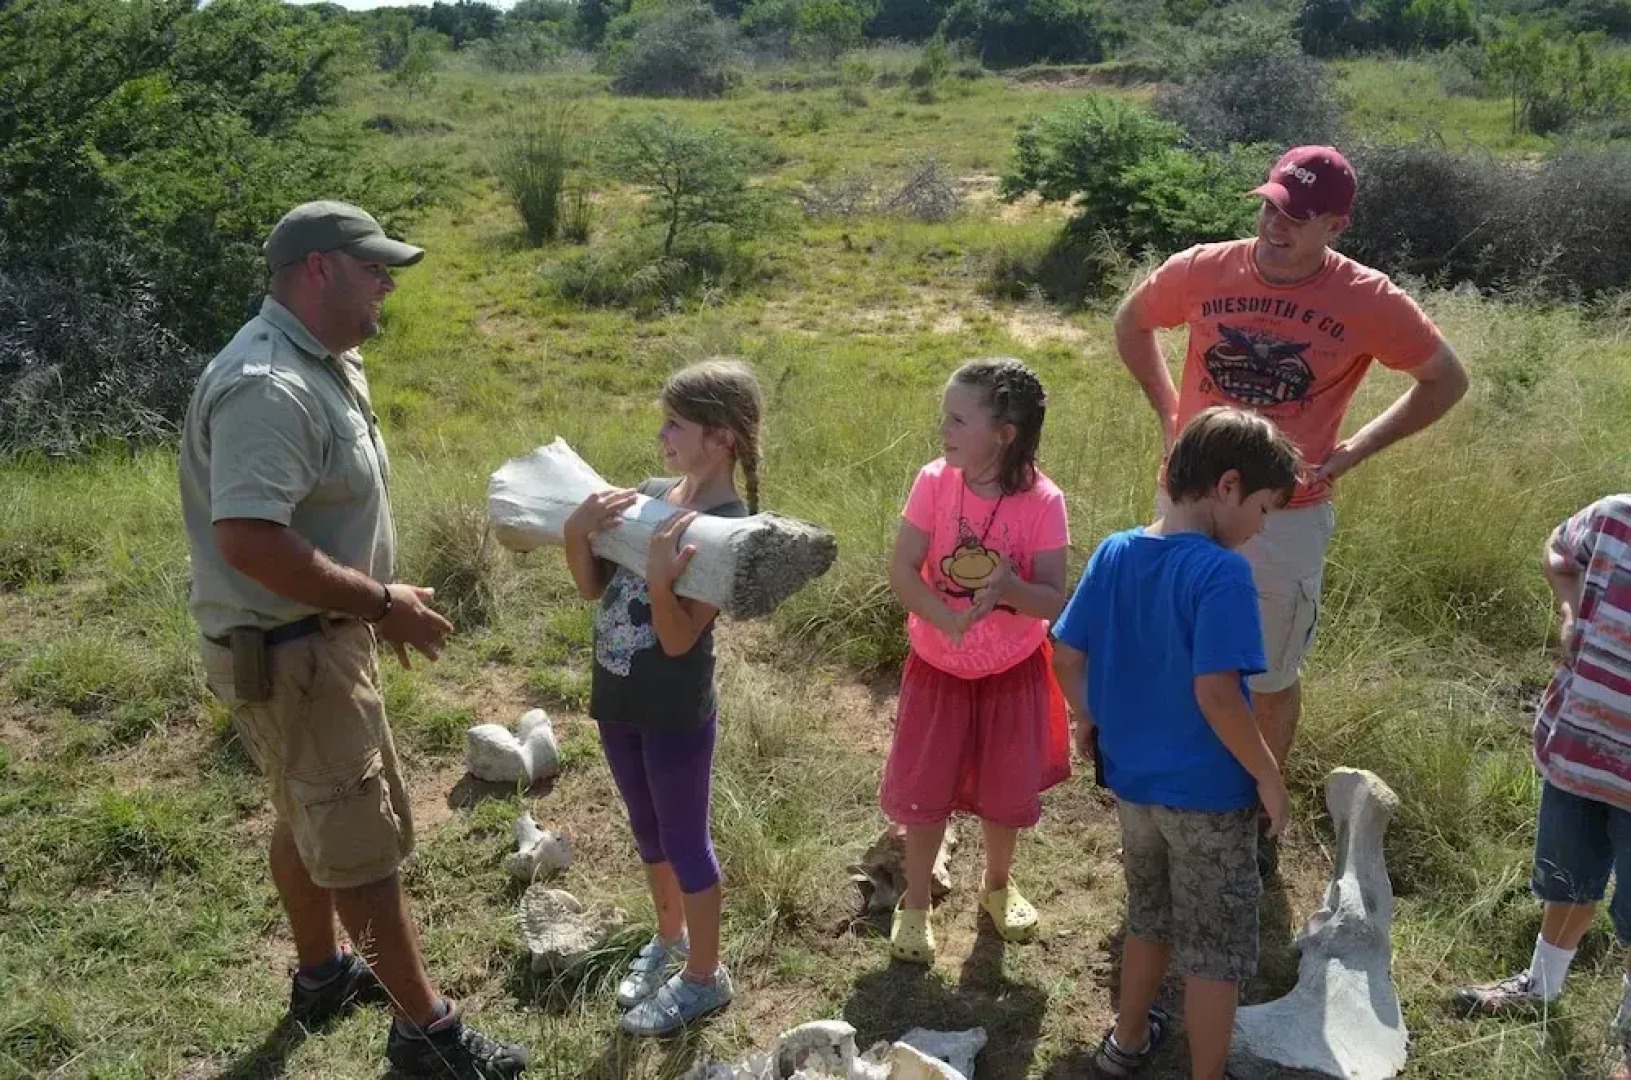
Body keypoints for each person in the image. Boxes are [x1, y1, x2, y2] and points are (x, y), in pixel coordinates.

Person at [179, 201, 529, 1077]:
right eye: (373, 267)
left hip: (308, 641)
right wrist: (379, 601)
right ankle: (430, 1039)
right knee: (359, 842)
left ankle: (322, 975)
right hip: (294, 650)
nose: (387, 283)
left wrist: (369, 601)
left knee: (309, 813)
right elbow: (250, 538)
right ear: (317, 271)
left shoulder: (324, 359)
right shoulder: (270, 384)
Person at [1112, 146, 1469, 873]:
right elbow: (1132, 321)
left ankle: (1250, 811)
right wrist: (1170, 416)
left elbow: (1443, 378)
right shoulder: (1203, 268)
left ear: (1333, 225)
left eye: (1299, 217)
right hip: (1187, 499)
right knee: (1172, 649)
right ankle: (1167, 794)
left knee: (1266, 670)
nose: (1277, 225)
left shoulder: (1367, 298)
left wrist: (1351, 452)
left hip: (1286, 513)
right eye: (1271, 205)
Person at [1052, 407, 1302, 1080]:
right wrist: (1268, 775)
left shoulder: (1114, 550)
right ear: (1226, 486)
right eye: (1263, 508)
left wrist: (1090, 718)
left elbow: (1066, 654)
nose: (1260, 526)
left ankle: (1125, 1042)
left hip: (1134, 786)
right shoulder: (1220, 572)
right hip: (1210, 796)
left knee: (1148, 918)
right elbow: (1217, 695)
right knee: (1216, 953)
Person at [560, 359, 763, 1036]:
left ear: (722, 439)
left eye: (675, 423)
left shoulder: (723, 532)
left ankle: (705, 977)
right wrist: (575, 532)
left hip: (674, 710)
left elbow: (678, 641)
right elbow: (593, 590)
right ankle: (669, 934)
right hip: (616, 695)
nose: (661, 434)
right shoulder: (649, 495)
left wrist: (657, 579)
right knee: (646, 829)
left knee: (683, 839)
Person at [879, 357, 1072, 965]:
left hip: (1011, 673)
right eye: (946, 417)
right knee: (926, 786)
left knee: (1002, 787)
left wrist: (1009, 589)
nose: (946, 429)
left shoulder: (1044, 501)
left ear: (1004, 433)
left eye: (960, 419)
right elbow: (904, 569)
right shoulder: (934, 481)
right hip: (937, 668)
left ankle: (996, 885)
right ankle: (914, 902)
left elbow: (1051, 596)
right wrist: (946, 617)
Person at [1453, 495, 1631, 1079]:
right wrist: (1571, 607)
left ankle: (1626, 1036)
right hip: (1579, 749)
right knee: (1568, 877)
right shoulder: (1614, 518)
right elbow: (1558, 549)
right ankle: (1543, 984)